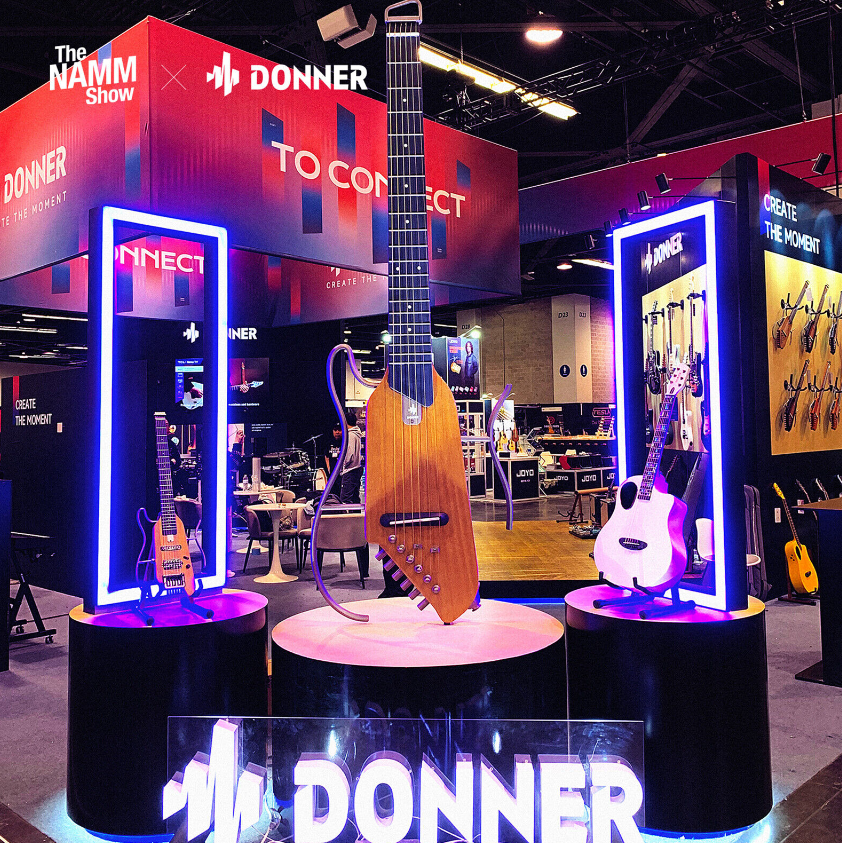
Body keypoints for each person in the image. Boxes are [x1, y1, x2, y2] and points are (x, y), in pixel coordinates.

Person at [339, 410, 363, 504]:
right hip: (357, 468)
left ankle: (346, 514)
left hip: (350, 470)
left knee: (345, 498)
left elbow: (350, 453)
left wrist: (344, 465)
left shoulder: (351, 435)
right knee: (354, 497)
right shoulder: (357, 434)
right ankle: (356, 513)